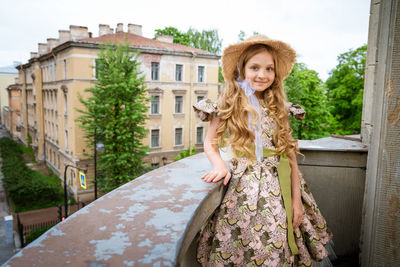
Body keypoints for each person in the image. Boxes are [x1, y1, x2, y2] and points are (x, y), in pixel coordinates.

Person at [193, 35, 334, 266]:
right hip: (243, 187)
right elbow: (210, 142)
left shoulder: (278, 106)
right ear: (241, 70)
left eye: (269, 68)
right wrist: (219, 165)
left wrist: (296, 201)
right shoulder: (228, 105)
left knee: (277, 239)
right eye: (255, 67)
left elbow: (289, 154)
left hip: (279, 184)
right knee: (242, 240)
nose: (262, 74)